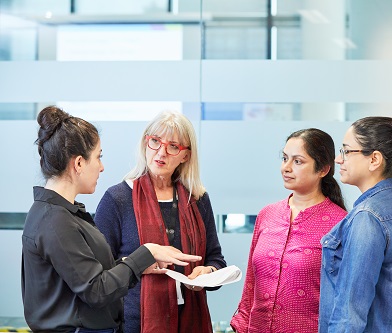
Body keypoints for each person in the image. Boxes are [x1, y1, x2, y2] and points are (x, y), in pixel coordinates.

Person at [22, 106, 202, 333]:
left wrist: (138, 265)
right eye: (98, 157)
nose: (102, 167)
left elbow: (91, 276)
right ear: (78, 163)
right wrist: (145, 254)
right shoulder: (55, 221)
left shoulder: (63, 215)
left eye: (173, 147)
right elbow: (96, 290)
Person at [94, 111, 226, 333]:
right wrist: (137, 263)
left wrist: (209, 273)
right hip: (132, 323)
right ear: (146, 143)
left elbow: (216, 258)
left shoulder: (197, 199)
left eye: (173, 146)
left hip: (190, 320)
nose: (161, 152)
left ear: (185, 156)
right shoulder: (118, 198)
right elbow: (99, 272)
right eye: (155, 141)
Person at [319, 116, 392, 332]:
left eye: (346, 151)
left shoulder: (368, 217)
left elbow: (350, 312)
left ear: (374, 160)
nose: (338, 159)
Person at [230, 128, 347, 333]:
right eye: (284, 158)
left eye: (298, 161)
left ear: (323, 170)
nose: (286, 167)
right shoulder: (267, 214)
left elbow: (345, 296)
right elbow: (250, 282)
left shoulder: (340, 223)